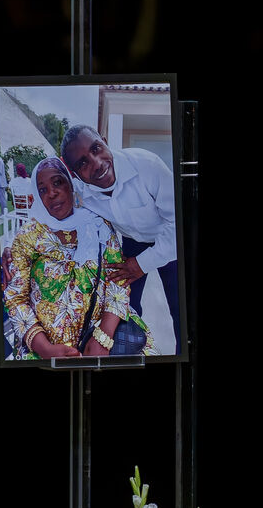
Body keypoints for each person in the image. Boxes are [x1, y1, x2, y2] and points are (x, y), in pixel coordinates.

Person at [2, 157, 152, 360]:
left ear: (71, 184)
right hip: (43, 350)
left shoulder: (99, 226)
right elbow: (15, 298)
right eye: (43, 190)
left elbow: (118, 281)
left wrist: (103, 338)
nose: (52, 193)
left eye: (58, 182)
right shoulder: (28, 236)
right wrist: (44, 348)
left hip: (104, 341)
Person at [60, 125, 179, 352]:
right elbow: (49, 203)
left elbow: (180, 223)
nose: (96, 163)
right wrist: (14, 249)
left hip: (170, 235)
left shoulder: (147, 165)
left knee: (180, 308)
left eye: (96, 148)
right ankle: (130, 350)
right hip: (132, 240)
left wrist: (142, 264)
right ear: (74, 174)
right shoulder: (79, 191)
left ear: (105, 142)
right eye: (82, 163)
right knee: (124, 307)